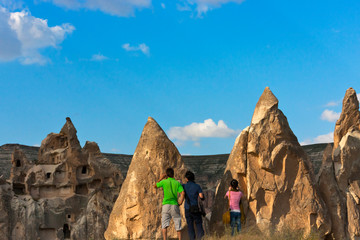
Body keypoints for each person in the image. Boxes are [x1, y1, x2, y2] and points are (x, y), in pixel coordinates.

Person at [155, 167, 185, 240]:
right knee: (178, 223)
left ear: (166, 175)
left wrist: (161, 178)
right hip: (174, 205)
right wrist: (180, 201)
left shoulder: (164, 182)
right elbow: (183, 193)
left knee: (164, 225)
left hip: (166, 205)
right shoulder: (177, 183)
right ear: (173, 174)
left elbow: (155, 186)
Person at [183, 171, 205, 240]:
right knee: (198, 224)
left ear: (186, 179)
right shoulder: (197, 186)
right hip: (195, 208)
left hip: (187, 208)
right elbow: (201, 197)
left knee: (190, 225)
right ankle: (200, 238)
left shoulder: (184, 186)